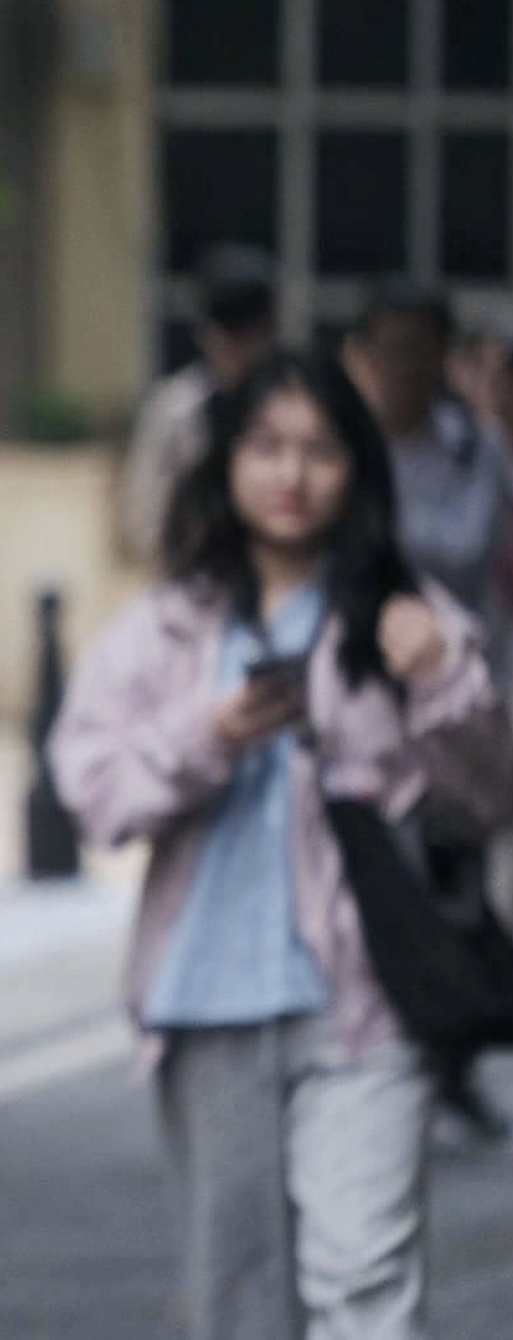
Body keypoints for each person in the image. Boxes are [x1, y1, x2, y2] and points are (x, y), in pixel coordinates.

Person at [50, 351, 511, 1340]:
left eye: (318, 450)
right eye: (265, 447)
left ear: (358, 471)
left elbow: (487, 795)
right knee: (238, 1307)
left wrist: (437, 683)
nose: (291, 475)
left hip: (364, 1007)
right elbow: (90, 795)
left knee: (364, 1287)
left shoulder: (406, 618)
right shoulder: (167, 627)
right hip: (202, 1001)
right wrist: (204, 736)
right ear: (225, 464)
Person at [344, 281, 513, 1141]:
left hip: (463, 701)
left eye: (418, 350)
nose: (402, 368)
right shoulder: (341, 451)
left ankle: (449, 1045)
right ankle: (407, 1041)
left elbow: (479, 555)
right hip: (373, 705)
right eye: (388, 348)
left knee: (456, 878)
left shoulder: (474, 454)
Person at [122, 244, 280, 561]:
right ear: (205, 331)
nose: (239, 348)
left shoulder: (289, 404)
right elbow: (143, 516)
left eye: (251, 333)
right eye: (229, 333)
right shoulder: (175, 407)